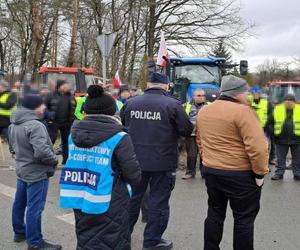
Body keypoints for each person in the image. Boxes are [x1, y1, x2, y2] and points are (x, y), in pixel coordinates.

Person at [59, 85, 141, 250]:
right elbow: (134, 175)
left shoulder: (73, 135)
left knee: (86, 239)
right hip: (111, 199)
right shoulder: (119, 136)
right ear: (111, 111)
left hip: (80, 195)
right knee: (113, 241)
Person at [120, 72, 193, 250]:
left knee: (131, 200)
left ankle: (121, 238)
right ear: (166, 85)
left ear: (148, 83)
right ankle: (152, 241)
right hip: (163, 162)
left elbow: (122, 124)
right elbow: (186, 129)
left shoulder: (130, 103)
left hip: (134, 161)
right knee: (158, 201)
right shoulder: (172, 104)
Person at [197, 75, 269, 250]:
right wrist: (260, 173)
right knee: (244, 219)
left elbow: (200, 141)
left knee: (214, 213)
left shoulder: (205, 111)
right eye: (246, 92)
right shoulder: (243, 112)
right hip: (240, 174)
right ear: (238, 93)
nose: (247, 96)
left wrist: (207, 161)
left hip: (212, 171)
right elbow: (258, 147)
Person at [9, 94, 61, 250]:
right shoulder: (35, 125)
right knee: (35, 208)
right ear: (34, 107)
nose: (44, 107)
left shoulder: (14, 124)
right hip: (37, 173)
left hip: (22, 169)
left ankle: (19, 232)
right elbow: (42, 152)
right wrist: (54, 160)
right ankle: (35, 242)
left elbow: (12, 148)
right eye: (41, 104)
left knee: (19, 203)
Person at [269, 94, 300, 180]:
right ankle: (279, 173)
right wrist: (273, 134)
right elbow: (270, 123)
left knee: (297, 158)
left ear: (294, 102)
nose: (288, 102)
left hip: (297, 139)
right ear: (284, 102)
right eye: (286, 100)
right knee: (280, 158)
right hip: (280, 139)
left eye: (290, 100)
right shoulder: (277, 109)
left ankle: (297, 173)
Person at [45, 80, 75, 165]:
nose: (66, 87)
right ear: (59, 86)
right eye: (64, 85)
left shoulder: (70, 96)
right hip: (53, 122)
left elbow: (74, 107)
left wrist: (72, 119)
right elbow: (45, 107)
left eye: (67, 85)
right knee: (51, 141)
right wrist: (49, 118)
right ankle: (48, 159)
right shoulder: (51, 95)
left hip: (67, 123)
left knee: (66, 142)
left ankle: (66, 160)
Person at [182, 89, 208, 179]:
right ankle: (190, 172)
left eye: (203, 95)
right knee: (191, 155)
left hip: (205, 135)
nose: (201, 97)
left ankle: (204, 173)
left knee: (204, 155)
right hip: (191, 134)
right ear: (193, 96)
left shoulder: (209, 106)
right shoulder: (186, 106)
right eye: (199, 95)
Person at [248, 86, 275, 165]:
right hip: (251, 128)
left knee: (265, 147)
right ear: (251, 94)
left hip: (264, 129)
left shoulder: (266, 103)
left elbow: (271, 114)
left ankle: (266, 163)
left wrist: (268, 126)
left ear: (260, 94)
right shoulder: (247, 102)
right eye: (254, 93)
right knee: (252, 147)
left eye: (258, 93)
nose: (256, 95)